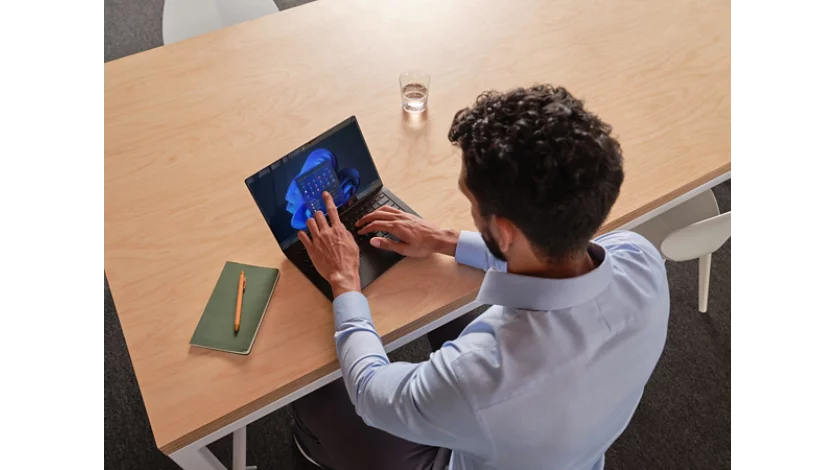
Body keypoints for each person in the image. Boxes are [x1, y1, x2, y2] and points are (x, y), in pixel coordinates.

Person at [291, 85, 670, 470]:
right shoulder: (641, 259)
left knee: (315, 392)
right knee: (445, 300)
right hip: (569, 447)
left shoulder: (483, 375)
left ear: (504, 232)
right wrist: (446, 240)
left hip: (475, 446)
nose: (470, 209)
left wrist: (344, 281)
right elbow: (553, 258)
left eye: (471, 202)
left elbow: (372, 393)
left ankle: (309, 449)